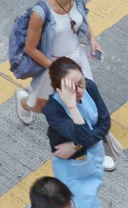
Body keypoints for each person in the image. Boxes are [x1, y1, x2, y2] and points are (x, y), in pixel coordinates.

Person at [13, 0, 115, 171]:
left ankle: (97, 147)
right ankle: (23, 101)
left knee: (87, 101)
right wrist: (57, 70)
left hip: (77, 61)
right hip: (52, 67)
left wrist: (92, 39)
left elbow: (81, 23)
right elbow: (30, 49)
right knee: (43, 108)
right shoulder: (40, 13)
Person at [41, 57, 110, 208]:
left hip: (93, 155)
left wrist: (76, 145)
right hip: (72, 165)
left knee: (91, 193)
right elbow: (85, 135)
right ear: (59, 89)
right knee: (80, 202)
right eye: (72, 88)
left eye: (81, 82)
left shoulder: (89, 87)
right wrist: (71, 106)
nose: (80, 90)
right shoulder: (53, 110)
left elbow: (105, 123)